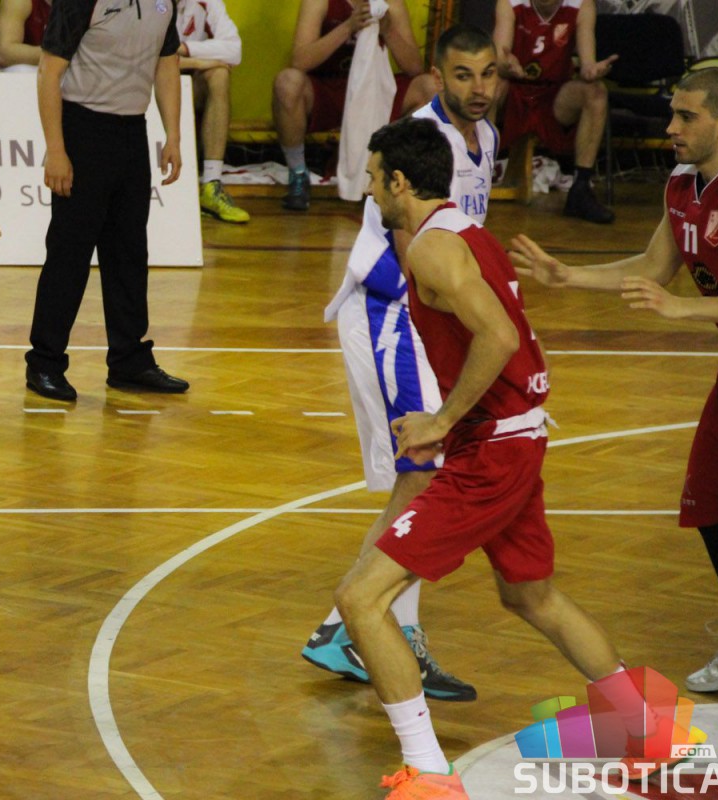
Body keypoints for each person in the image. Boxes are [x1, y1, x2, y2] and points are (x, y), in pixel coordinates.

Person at [336, 117, 633, 798]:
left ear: (400, 182)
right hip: (512, 436)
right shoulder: (467, 232)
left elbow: (498, 337)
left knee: (360, 598)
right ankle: (641, 727)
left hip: (492, 451)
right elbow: (513, 337)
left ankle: (428, 770)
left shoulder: (431, 251)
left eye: (374, 178)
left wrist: (442, 420)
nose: (368, 190)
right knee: (531, 593)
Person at [511, 68, 718, 695]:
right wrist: (568, 276)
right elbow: (654, 267)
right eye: (672, 113)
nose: (671, 126)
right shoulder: (681, 184)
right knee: (706, 505)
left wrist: (684, 310)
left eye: (686, 116)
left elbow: (672, 296)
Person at [304, 24, 500, 705]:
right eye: (465, 75)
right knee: (423, 475)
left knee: (422, 478)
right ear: (438, 78)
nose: (480, 87)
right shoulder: (417, 141)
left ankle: (347, 626)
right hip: (393, 312)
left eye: (489, 73)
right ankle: (383, 631)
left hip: (427, 319)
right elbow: (405, 244)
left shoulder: (486, 137)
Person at [24, 0, 189, 403]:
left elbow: (166, 62)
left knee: (129, 252)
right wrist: (56, 149)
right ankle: (45, 363)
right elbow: (49, 71)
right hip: (83, 128)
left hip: (133, 131)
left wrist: (173, 135)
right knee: (69, 253)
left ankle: (129, 360)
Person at [274, 0, 436, 212]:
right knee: (287, 83)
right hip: (330, 90)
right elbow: (300, 61)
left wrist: (388, 31)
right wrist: (348, 27)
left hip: (373, 91)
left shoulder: (391, 4)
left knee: (429, 87)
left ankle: (397, 167)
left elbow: (414, 68)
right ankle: (297, 173)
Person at [493, 0, 617, 224]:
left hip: (553, 94)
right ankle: (474, 174)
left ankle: (580, 189)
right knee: (490, 84)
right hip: (515, 88)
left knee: (596, 92)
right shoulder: (509, 3)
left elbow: (587, 64)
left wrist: (591, 71)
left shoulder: (582, 6)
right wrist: (506, 65)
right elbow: (499, 59)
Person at [177, 0, 249, 224]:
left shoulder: (207, 2)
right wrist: (198, 62)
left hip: (185, 85)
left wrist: (185, 49)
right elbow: (144, 57)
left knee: (219, 74)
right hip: (144, 85)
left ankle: (211, 183)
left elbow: (234, 49)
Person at [0, 0, 52, 72]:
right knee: (21, 69)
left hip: (52, 68)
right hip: (14, 70)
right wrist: (57, 54)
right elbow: (5, 54)